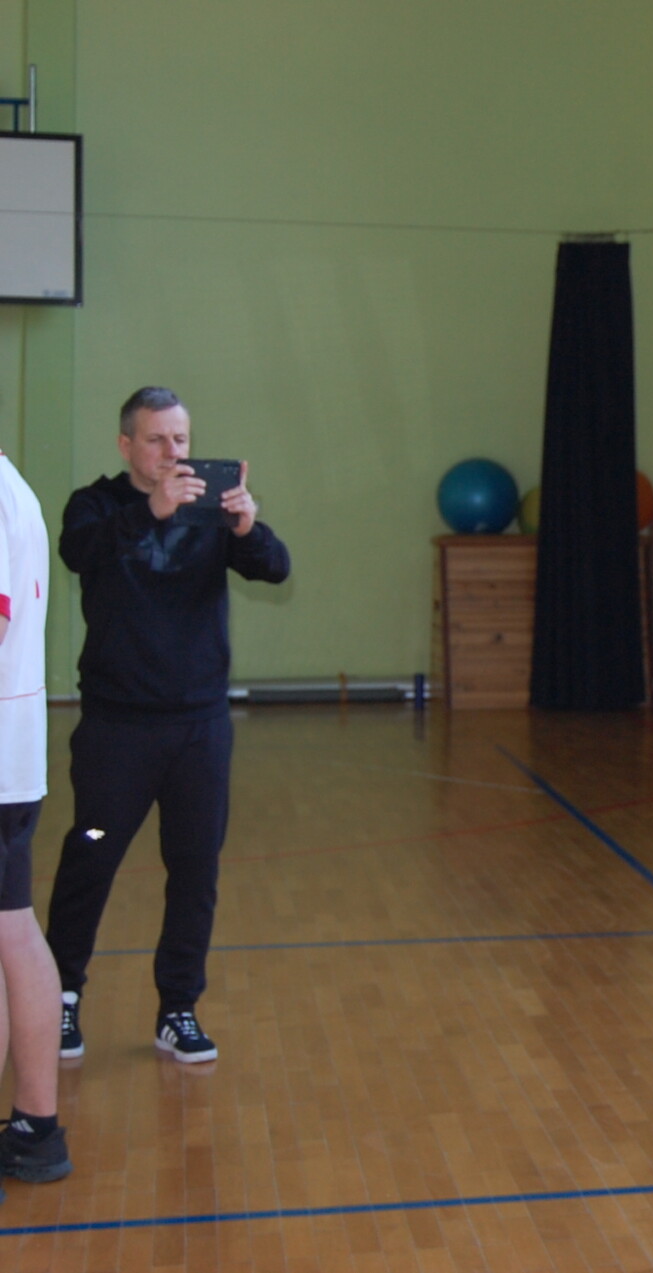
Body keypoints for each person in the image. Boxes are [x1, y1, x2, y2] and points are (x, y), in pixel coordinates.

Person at [44, 386, 291, 1064]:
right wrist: (151, 511)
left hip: (198, 730)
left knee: (194, 867)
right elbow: (77, 552)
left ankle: (178, 1007)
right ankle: (61, 996)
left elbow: (275, 568)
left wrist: (246, 527)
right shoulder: (95, 505)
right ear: (127, 444)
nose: (171, 452)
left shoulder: (210, 510)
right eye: (156, 439)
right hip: (116, 730)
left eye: (180, 439)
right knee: (91, 854)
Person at [0, 444, 71, 1194]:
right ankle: (33, 1127)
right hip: (11, 756)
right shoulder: (12, 484)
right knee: (10, 932)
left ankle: (38, 1125)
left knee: (12, 934)